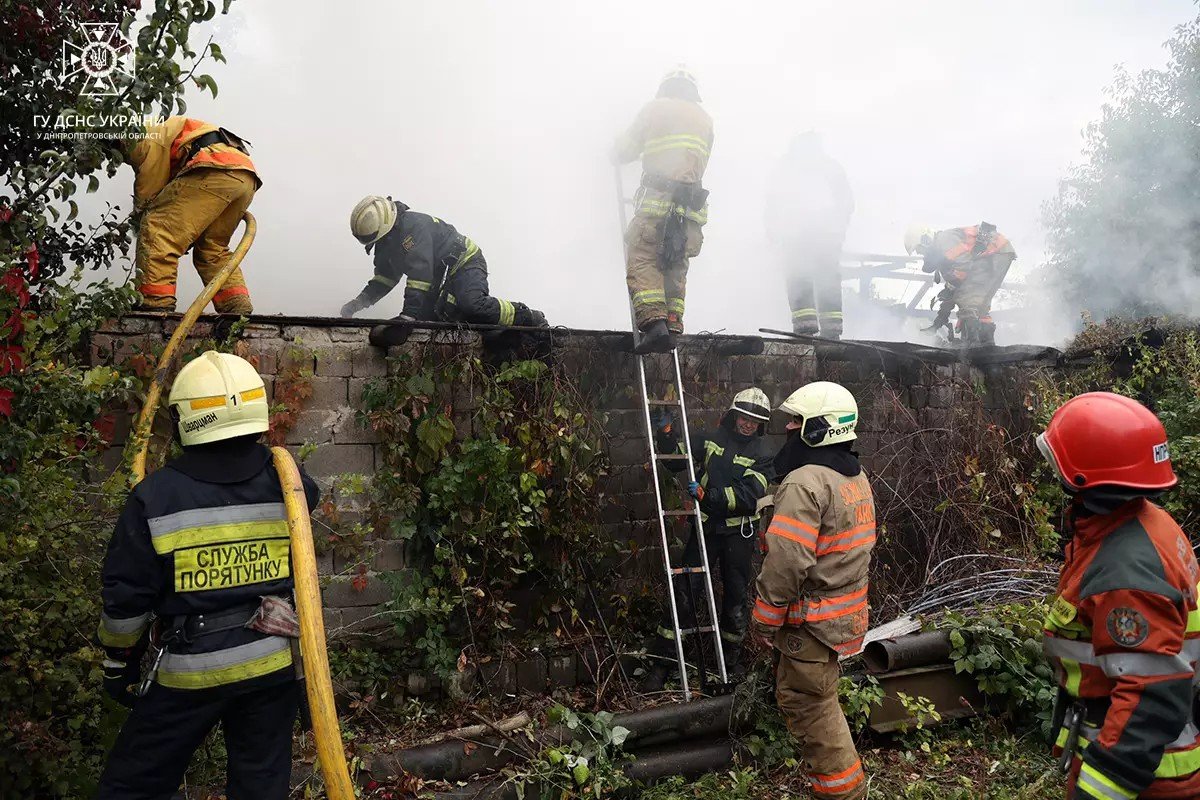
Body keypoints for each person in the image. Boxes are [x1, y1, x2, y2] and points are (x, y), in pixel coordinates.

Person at [95, 351, 318, 800]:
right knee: (260, 787)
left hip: (190, 672)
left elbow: (128, 599)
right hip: (271, 667)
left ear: (185, 419)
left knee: (132, 787)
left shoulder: (154, 497)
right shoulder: (289, 481)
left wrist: (118, 666)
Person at [1039, 392, 1200, 800]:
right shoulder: (1146, 523)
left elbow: (1151, 694)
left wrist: (1098, 789)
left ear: (1083, 477)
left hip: (1144, 776)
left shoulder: (1125, 570)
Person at [751, 381, 873, 800]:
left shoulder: (805, 483)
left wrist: (765, 619)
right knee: (820, 699)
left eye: (796, 421)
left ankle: (844, 794)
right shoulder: (854, 478)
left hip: (811, 624)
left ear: (820, 429)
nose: (786, 427)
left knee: (810, 706)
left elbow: (787, 561)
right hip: (841, 618)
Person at [642, 388, 775, 690]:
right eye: (745, 418)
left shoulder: (764, 455)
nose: (748, 425)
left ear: (761, 424)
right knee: (686, 591)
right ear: (734, 415)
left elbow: (749, 494)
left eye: (755, 421)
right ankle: (663, 664)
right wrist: (665, 432)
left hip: (739, 536)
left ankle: (728, 667)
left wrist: (708, 496)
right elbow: (677, 457)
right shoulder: (712, 439)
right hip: (705, 530)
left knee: (735, 600)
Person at [614, 66, 713, 354]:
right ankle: (671, 324)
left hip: (658, 202)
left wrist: (614, 152)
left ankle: (654, 325)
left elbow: (627, 148)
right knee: (675, 263)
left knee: (643, 257)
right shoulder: (705, 119)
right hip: (691, 211)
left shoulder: (655, 109)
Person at [339, 195, 546, 328]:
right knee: (429, 323)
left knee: (472, 305)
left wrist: (408, 315)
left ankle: (526, 317)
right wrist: (358, 303)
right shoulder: (386, 243)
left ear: (387, 228)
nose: (379, 245)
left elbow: (420, 274)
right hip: (441, 273)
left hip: (465, 261)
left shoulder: (413, 229)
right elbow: (384, 279)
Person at [128, 117, 259, 314]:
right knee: (212, 248)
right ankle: (235, 306)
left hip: (213, 167)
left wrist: (142, 220)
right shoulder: (163, 130)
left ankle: (154, 303)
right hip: (244, 175)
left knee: (158, 229)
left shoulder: (140, 139)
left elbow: (150, 191)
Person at [766, 132, 854, 340]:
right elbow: (847, 203)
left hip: (797, 235)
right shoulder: (831, 166)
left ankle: (805, 329)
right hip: (828, 237)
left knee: (798, 276)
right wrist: (838, 228)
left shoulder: (787, 168)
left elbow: (773, 203)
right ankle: (832, 331)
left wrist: (773, 230)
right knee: (828, 279)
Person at [903, 222, 1016, 346]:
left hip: (995, 253)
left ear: (926, 240)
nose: (921, 254)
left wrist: (951, 288)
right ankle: (987, 344)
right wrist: (939, 321)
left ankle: (973, 345)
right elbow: (957, 283)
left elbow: (964, 267)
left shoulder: (944, 242)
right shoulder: (942, 253)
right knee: (980, 305)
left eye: (919, 249)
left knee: (967, 298)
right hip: (1000, 251)